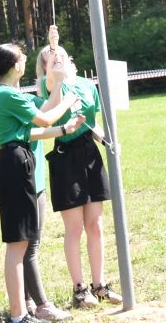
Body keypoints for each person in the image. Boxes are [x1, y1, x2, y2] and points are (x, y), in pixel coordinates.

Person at [0, 43, 84, 323]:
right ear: (15, 66)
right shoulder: (3, 95)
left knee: (21, 244)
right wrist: (70, 102)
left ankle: (21, 312)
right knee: (18, 245)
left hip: (17, 161)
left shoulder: (5, 94)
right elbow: (46, 118)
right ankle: (19, 315)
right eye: (22, 58)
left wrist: (57, 86)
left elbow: (40, 116)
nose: (25, 61)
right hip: (14, 165)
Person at [35, 37, 120, 309]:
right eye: (51, 57)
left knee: (95, 224)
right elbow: (51, 94)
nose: (57, 57)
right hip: (65, 156)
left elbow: (94, 122)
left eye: (60, 54)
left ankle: (100, 285)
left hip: (89, 153)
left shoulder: (86, 84)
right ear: (45, 67)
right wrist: (53, 67)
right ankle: (80, 289)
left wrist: (107, 139)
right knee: (74, 228)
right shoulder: (46, 85)